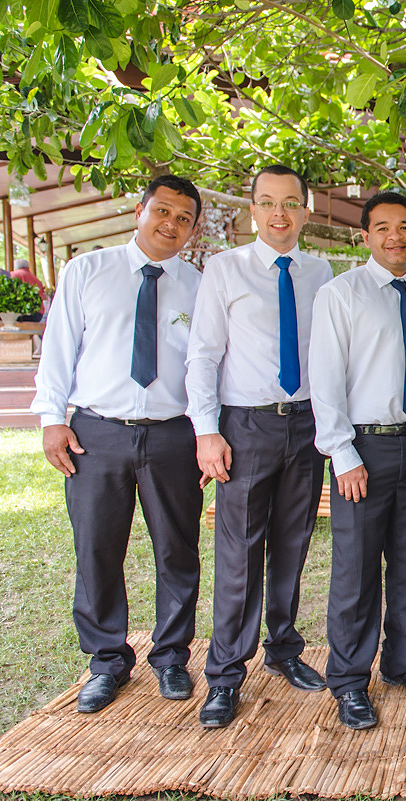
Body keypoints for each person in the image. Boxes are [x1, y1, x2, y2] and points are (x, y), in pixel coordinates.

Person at [31, 175, 205, 713]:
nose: (170, 224)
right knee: (97, 548)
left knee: (177, 548)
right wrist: (50, 419)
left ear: (193, 230)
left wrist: (206, 433)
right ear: (140, 210)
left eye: (183, 219)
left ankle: (172, 656)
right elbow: (60, 349)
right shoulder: (88, 271)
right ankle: (106, 661)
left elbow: (207, 367)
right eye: (163, 211)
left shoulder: (199, 286)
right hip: (96, 433)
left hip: (173, 433)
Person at [185, 164, 334, 728]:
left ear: (306, 208)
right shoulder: (224, 270)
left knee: (293, 543)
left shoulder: (322, 271)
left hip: (306, 423)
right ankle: (225, 673)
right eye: (268, 202)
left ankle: (283, 648)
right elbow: (201, 355)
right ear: (252, 210)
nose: (280, 213)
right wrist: (206, 430)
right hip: (245, 427)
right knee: (240, 552)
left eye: (291, 202)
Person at [309, 191, 406, 730]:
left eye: (405, 227)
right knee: (357, 570)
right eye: (383, 227)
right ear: (364, 236)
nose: (395, 236)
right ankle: (347, 679)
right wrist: (343, 452)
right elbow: (325, 379)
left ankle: (403, 663)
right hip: (365, 448)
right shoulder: (340, 294)